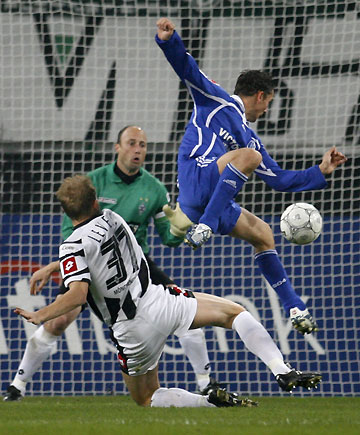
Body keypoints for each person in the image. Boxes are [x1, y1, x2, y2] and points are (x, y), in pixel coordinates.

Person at [14, 175, 322, 407]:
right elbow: (99, 249)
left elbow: (78, 294)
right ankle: (280, 368)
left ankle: (208, 402)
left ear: (65, 211)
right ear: (96, 202)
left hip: (130, 330)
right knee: (233, 313)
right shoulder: (114, 218)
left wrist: (40, 312)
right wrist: (54, 266)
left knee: (146, 397)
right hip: (159, 301)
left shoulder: (72, 245)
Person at [155, 18, 347, 335]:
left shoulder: (250, 139)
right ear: (259, 95)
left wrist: (321, 170)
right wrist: (168, 40)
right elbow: (187, 68)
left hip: (211, 200)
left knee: (263, 233)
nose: (267, 110)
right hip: (196, 175)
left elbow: (279, 179)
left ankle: (295, 306)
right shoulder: (217, 100)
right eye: (268, 102)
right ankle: (202, 223)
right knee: (250, 157)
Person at [3, 126, 217, 402]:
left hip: (135, 260)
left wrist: (178, 231)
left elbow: (168, 238)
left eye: (142, 144)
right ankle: (17, 386)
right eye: (131, 143)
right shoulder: (93, 183)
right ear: (117, 147)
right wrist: (55, 266)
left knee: (183, 307)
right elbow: (73, 238)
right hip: (92, 263)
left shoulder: (154, 189)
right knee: (59, 320)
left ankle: (205, 382)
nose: (137, 149)